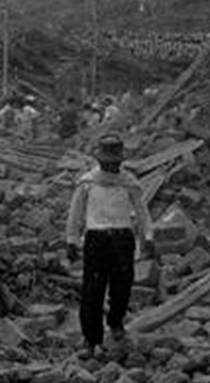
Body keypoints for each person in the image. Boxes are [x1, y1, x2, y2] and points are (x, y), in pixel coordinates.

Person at [65, 133, 154, 359]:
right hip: (96, 239)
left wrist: (148, 237)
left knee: (122, 287)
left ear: (121, 161)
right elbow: (75, 215)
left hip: (123, 238)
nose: (111, 165)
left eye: (115, 161)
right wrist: (72, 241)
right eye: (107, 161)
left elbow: (142, 213)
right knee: (92, 291)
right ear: (99, 160)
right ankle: (91, 338)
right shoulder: (87, 182)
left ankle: (116, 323)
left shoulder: (130, 183)